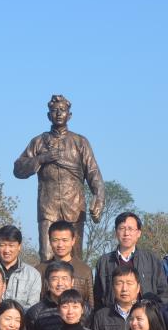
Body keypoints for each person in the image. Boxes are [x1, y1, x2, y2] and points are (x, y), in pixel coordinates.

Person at [13, 94, 105, 261]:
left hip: (74, 206)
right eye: (54, 110)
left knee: (75, 256)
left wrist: (99, 198)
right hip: (48, 206)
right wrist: (42, 158)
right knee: (46, 255)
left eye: (62, 110)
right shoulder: (38, 142)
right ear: (49, 115)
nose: (59, 113)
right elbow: (18, 169)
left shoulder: (80, 142)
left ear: (69, 115)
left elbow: (93, 173)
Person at [94, 212, 168, 308]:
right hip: (112, 315)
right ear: (116, 232)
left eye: (130, 229)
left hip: (145, 315)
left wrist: (152, 313)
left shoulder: (151, 260)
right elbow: (97, 297)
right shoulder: (104, 262)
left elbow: (164, 295)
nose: (126, 233)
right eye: (122, 228)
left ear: (138, 233)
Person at [26, 261, 91, 330]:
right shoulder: (35, 312)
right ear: (47, 282)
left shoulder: (85, 309)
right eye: (54, 279)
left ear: (72, 282)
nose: (60, 283)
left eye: (64, 278)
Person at [0, 225, 42, 309]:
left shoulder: (33, 274)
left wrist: (12, 316)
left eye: (11, 245)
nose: (6, 250)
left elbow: (32, 307)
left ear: (19, 246)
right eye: (2, 245)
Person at [38, 220, 94, 305]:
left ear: (73, 241)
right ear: (50, 241)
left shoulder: (84, 270)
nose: (60, 245)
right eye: (55, 240)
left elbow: (90, 302)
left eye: (65, 240)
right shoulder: (40, 270)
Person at [92, 265, 141, 330]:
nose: (124, 289)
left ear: (138, 288)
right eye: (119, 283)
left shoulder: (147, 315)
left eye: (129, 283)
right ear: (113, 287)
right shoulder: (101, 316)